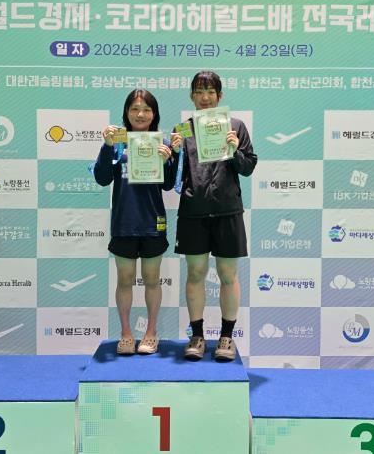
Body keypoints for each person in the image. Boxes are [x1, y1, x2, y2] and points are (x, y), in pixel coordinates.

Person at [175, 70, 257, 361]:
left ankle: (226, 337)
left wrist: (235, 150)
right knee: (195, 273)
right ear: (192, 96)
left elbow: (248, 167)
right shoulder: (183, 130)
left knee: (227, 275)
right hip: (193, 212)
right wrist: (172, 154)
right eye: (199, 92)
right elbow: (172, 177)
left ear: (220, 96)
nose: (205, 97)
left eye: (210, 91)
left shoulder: (236, 126)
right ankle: (197, 336)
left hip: (227, 210)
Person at [93, 89, 181, 355]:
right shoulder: (117, 141)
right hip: (124, 222)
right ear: (126, 112)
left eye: (146, 109)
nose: (140, 114)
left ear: (154, 114)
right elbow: (102, 178)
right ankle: (126, 334)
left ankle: (151, 333)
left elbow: (168, 185)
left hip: (153, 222)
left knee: (152, 279)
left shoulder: (162, 143)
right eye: (134, 109)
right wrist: (106, 146)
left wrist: (169, 159)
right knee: (125, 279)